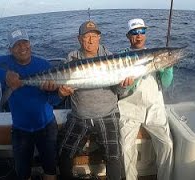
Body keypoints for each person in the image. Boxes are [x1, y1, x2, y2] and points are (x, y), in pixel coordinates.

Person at [0, 28, 69, 180]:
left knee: (50, 169)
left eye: (25, 43)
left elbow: (52, 100)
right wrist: (4, 75)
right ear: (10, 49)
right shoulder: (3, 63)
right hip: (21, 130)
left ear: (30, 44)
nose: (22, 48)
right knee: (23, 173)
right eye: (17, 45)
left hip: (47, 127)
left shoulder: (43, 64)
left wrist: (60, 94)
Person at [57, 20, 134, 180]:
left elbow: (119, 91)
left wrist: (125, 86)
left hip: (108, 114)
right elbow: (60, 89)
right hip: (80, 116)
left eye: (94, 35)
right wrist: (62, 92)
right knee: (63, 154)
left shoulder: (112, 58)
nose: (91, 40)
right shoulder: (72, 57)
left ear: (99, 37)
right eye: (87, 36)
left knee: (114, 157)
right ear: (79, 39)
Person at [118, 18, 174, 180]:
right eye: (134, 33)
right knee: (125, 148)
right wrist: (128, 84)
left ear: (145, 34)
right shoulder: (122, 56)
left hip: (154, 108)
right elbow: (119, 89)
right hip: (129, 108)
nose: (139, 35)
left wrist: (167, 69)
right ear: (128, 36)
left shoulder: (158, 55)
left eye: (142, 31)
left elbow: (166, 84)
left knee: (167, 145)